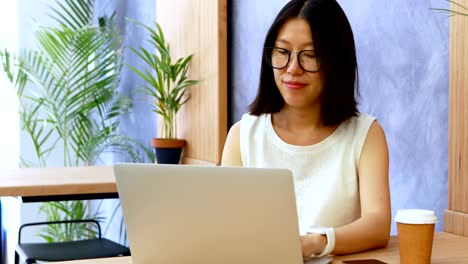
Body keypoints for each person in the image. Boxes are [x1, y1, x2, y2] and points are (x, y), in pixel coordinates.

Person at [221, 0, 391, 259]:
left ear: (337, 61)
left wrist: (315, 243)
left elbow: (377, 225)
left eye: (310, 56)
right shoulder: (242, 136)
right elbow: (225, 227)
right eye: (282, 52)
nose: (292, 69)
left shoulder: (366, 134)